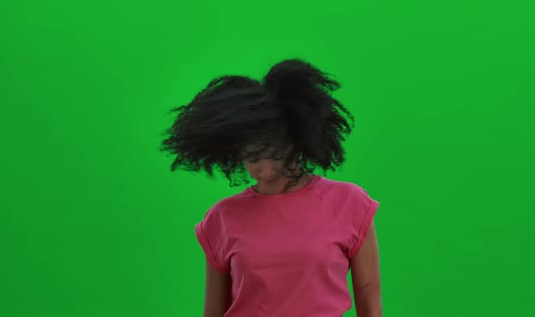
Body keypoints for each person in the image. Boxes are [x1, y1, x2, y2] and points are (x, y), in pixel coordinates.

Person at [159, 58, 382, 316]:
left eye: (277, 156)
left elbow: (371, 309)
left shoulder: (349, 203)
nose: (265, 170)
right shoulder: (222, 217)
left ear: (301, 142)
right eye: (253, 158)